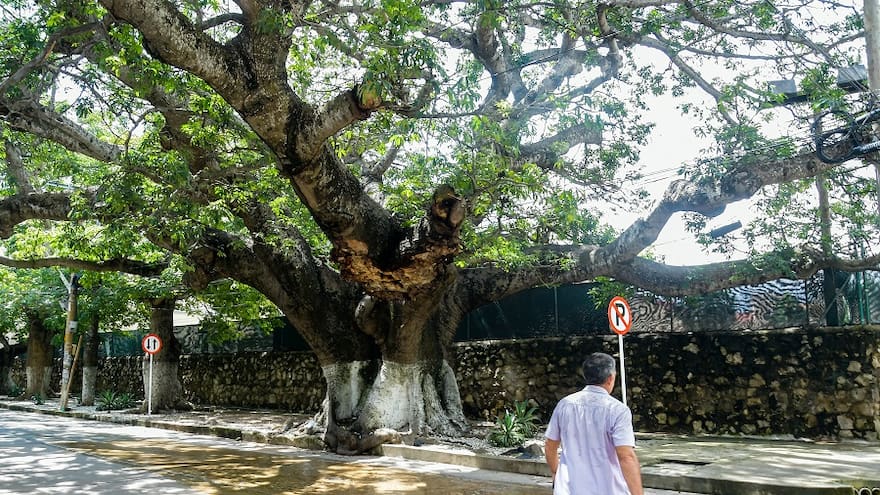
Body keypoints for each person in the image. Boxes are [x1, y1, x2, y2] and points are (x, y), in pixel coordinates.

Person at [544, 352, 643, 495]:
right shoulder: (617, 410)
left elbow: (550, 445)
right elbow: (626, 456)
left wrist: (555, 472)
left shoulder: (565, 405)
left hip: (569, 489)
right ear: (610, 378)